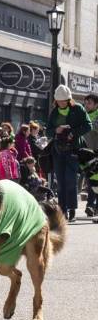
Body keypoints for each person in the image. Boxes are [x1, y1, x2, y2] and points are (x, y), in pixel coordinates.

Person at [46, 84, 91, 222]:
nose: (61, 103)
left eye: (64, 100)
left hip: (73, 151)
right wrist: (56, 130)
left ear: (69, 99)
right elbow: (48, 130)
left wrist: (73, 132)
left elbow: (88, 125)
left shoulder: (78, 109)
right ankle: (62, 211)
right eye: (59, 101)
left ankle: (71, 209)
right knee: (60, 183)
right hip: (58, 151)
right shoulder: (54, 112)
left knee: (71, 181)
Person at [82, 94, 98, 217]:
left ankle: (93, 206)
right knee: (91, 179)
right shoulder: (82, 115)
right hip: (88, 152)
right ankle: (90, 206)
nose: (86, 105)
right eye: (85, 102)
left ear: (96, 105)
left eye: (89, 103)